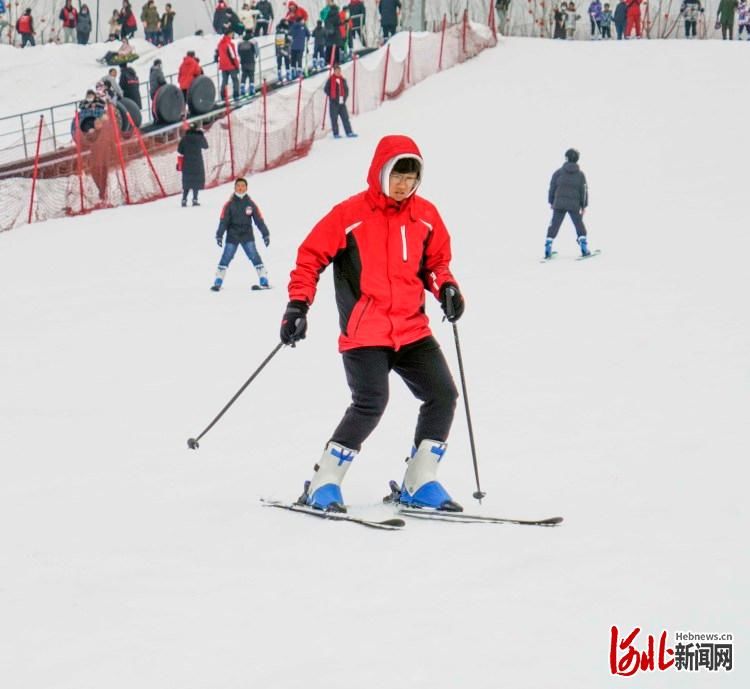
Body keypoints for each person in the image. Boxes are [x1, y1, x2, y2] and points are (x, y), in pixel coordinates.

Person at [279, 134, 465, 513]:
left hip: (411, 329)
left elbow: (436, 264)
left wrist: (446, 287)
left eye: (412, 177)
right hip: (366, 332)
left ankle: (419, 481)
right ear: (381, 172)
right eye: (398, 175)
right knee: (370, 402)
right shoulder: (350, 215)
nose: (404, 185)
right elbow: (309, 257)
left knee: (442, 394)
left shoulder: (425, 216)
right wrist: (298, 305)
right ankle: (324, 482)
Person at [212, 178, 270, 291]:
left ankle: (263, 277)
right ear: (235, 188)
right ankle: (218, 279)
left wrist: (265, 234)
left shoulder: (250, 204)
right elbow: (223, 221)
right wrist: (219, 235)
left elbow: (259, 220)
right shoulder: (229, 204)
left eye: (243, 186)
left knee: (253, 255)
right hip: (232, 235)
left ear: (246, 188)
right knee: (226, 256)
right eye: (238, 186)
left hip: (246, 234)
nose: (240, 188)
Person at [544, 148, 591, 259]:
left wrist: (551, 201)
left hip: (559, 203)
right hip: (574, 205)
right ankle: (584, 246)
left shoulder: (558, 173)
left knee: (554, 224)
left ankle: (548, 246)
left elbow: (552, 188)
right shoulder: (580, 175)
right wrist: (583, 205)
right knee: (578, 224)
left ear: (566, 158)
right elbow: (583, 191)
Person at [177, 124, 209, 207]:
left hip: (187, 163)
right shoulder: (199, 137)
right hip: (197, 163)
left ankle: (184, 200)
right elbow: (206, 146)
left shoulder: (184, 138)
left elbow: (180, 150)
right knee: (196, 181)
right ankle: (195, 199)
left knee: (187, 182)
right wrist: (202, 135)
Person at [324, 64, 356, 138]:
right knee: (334, 119)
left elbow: (346, 90)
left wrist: (344, 98)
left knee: (345, 118)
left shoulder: (343, 79)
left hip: (342, 103)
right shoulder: (330, 80)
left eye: (339, 71)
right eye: (337, 71)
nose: (338, 72)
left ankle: (349, 132)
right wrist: (332, 97)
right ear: (334, 71)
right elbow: (326, 89)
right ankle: (336, 133)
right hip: (334, 103)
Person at [217, 29, 240, 100]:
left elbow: (217, 54)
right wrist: (237, 66)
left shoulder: (220, 44)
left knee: (224, 80)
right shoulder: (229, 44)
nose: (232, 35)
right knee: (235, 80)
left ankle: (223, 95)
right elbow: (232, 56)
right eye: (232, 34)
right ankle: (236, 94)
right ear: (228, 34)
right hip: (230, 65)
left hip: (223, 66)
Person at [238, 30, 258, 95]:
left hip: (243, 61)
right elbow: (256, 51)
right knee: (251, 74)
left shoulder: (240, 42)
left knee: (244, 75)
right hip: (251, 60)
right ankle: (251, 88)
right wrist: (256, 55)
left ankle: (242, 88)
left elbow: (238, 51)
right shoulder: (253, 42)